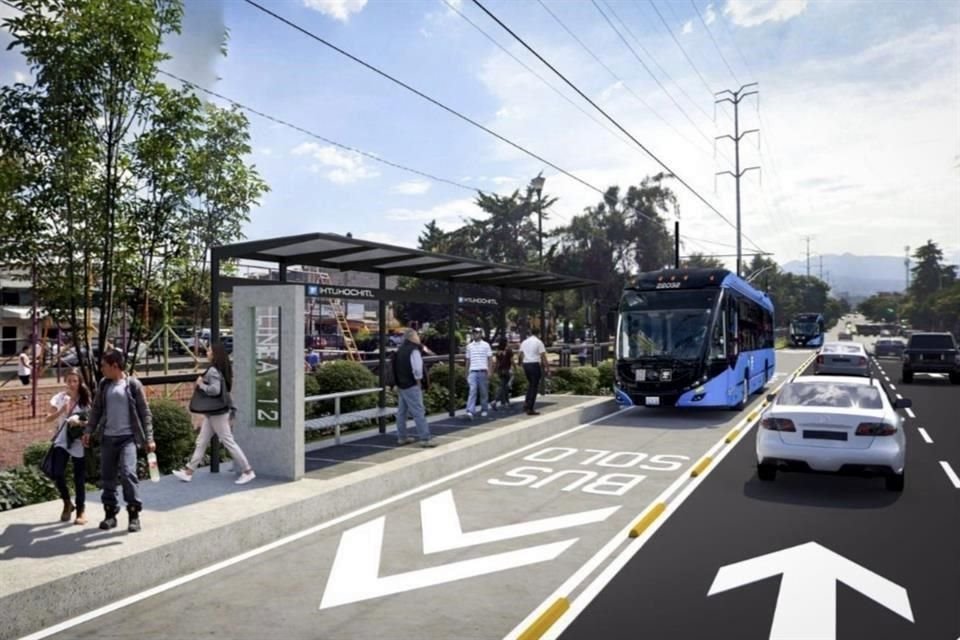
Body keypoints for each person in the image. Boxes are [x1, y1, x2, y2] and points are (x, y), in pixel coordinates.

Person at [82, 350, 155, 533]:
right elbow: (96, 410)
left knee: (128, 473)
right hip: (108, 438)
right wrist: (89, 430)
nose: (101, 369)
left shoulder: (133, 385)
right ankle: (110, 515)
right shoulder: (104, 384)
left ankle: (133, 514)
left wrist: (149, 438)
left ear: (115, 366)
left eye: (104, 366)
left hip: (128, 439)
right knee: (107, 477)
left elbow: (145, 413)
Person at [173, 342, 256, 484]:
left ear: (215, 354)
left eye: (210, 350)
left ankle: (248, 471)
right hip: (214, 412)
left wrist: (201, 385)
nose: (207, 352)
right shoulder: (220, 369)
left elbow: (215, 390)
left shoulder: (212, 371)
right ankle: (189, 472)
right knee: (202, 441)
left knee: (228, 441)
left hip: (216, 413)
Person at [44, 369, 92, 525]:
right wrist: (62, 411)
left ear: (79, 383)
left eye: (75, 381)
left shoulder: (85, 399)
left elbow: (92, 421)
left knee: (79, 478)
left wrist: (80, 422)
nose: (71, 384)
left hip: (78, 441)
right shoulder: (58, 398)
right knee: (57, 472)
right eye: (69, 381)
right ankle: (67, 502)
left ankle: (80, 510)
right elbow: (47, 419)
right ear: (65, 381)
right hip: (62, 440)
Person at [391, 328, 434, 448]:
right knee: (419, 411)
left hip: (401, 384)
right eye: (417, 335)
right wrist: (419, 382)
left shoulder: (400, 350)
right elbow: (417, 369)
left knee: (401, 412)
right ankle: (425, 438)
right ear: (412, 337)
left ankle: (402, 437)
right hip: (412, 384)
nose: (419, 337)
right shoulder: (414, 350)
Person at [519, 327, 549, 415]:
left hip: (526, 364)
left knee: (530, 384)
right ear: (538, 333)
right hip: (534, 364)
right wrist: (547, 368)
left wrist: (520, 363)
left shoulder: (524, 342)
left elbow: (520, 354)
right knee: (534, 386)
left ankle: (526, 403)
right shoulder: (538, 342)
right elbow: (543, 356)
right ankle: (530, 407)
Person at [465, 327, 493, 418]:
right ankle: (470, 410)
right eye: (473, 333)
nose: (475, 334)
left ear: (481, 334)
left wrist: (490, 371)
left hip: (483, 370)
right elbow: (468, 360)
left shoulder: (486, 345)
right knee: (472, 391)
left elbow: (489, 359)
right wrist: (466, 372)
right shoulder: (469, 346)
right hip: (472, 371)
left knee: (483, 391)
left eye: (477, 333)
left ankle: (484, 409)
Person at [491, 337, 514, 411]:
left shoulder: (498, 352)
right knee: (504, 387)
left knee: (503, 386)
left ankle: (506, 402)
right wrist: (515, 368)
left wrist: (494, 370)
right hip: (507, 370)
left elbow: (497, 363)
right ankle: (496, 401)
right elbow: (512, 361)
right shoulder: (509, 351)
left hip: (500, 371)